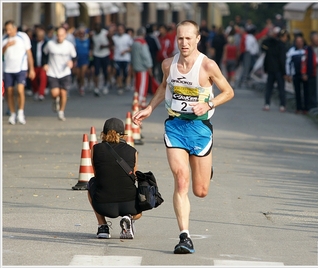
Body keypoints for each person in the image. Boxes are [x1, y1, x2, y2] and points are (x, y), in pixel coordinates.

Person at [132, 20, 234, 254]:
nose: (184, 43)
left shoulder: (208, 65)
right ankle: (184, 237)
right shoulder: (169, 64)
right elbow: (163, 87)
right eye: (180, 38)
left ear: (197, 39)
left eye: (189, 38)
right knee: (181, 179)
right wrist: (150, 108)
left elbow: (228, 92)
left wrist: (208, 103)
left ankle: (206, 170)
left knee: (200, 191)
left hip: (199, 129)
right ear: (176, 39)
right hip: (175, 126)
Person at [88, 117, 142, 239]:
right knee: (137, 212)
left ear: (103, 133)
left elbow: (97, 175)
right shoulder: (132, 151)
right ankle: (128, 217)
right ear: (123, 134)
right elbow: (134, 175)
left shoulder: (95, 149)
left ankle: (103, 226)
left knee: (91, 183)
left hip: (104, 205)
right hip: (130, 205)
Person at [3, 20, 36, 125]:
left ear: (15, 28)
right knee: (9, 92)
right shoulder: (3, 39)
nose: (8, 32)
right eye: (6, 30)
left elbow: (29, 53)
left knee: (20, 90)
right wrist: (6, 46)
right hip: (8, 69)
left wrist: (31, 69)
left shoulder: (23, 37)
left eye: (10, 29)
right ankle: (12, 113)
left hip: (21, 68)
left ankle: (20, 113)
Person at [43, 27, 77, 121]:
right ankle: (55, 100)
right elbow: (44, 54)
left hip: (65, 72)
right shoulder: (50, 44)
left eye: (62, 35)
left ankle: (61, 111)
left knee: (63, 93)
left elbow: (74, 57)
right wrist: (45, 64)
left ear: (65, 35)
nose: (59, 37)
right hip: (53, 71)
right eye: (58, 35)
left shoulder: (69, 45)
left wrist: (71, 63)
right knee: (55, 93)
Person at [262, 27, 287, 112]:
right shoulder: (281, 46)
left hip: (271, 69)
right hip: (278, 70)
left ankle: (267, 104)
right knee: (281, 88)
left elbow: (266, 56)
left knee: (269, 88)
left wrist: (265, 68)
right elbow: (282, 59)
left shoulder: (271, 44)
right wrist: (284, 72)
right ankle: (282, 105)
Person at [131, 27, 153, 108]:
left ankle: (136, 98)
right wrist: (149, 65)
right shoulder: (142, 42)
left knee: (137, 83)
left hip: (136, 65)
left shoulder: (134, 42)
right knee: (143, 84)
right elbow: (145, 55)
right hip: (142, 67)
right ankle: (140, 100)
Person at [90, 22, 113, 96]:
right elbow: (91, 43)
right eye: (95, 28)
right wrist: (91, 50)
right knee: (96, 71)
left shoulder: (105, 33)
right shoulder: (92, 34)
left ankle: (105, 84)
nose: (97, 30)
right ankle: (96, 87)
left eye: (98, 28)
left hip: (105, 54)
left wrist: (105, 46)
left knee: (105, 71)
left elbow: (112, 43)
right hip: (96, 54)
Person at [286, 35, 307, 114]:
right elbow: (288, 63)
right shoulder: (292, 51)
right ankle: (298, 107)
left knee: (305, 92)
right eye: (297, 42)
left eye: (300, 41)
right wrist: (288, 74)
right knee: (297, 92)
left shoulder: (306, 50)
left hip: (305, 74)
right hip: (296, 73)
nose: (299, 43)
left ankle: (305, 108)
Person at [113, 23, 133, 95]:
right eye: (118, 30)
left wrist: (126, 51)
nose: (120, 31)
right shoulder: (115, 37)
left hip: (126, 58)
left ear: (124, 30)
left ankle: (127, 84)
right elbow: (112, 45)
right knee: (118, 73)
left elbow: (131, 47)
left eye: (121, 29)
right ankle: (120, 87)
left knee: (126, 73)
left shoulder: (127, 37)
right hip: (117, 58)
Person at [30, 25, 48, 101]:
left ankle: (41, 93)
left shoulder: (47, 43)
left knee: (43, 78)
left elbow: (48, 54)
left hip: (43, 65)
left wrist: (47, 63)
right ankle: (36, 91)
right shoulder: (32, 43)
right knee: (33, 79)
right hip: (34, 64)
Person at [75, 26, 91, 96]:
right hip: (78, 59)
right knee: (78, 75)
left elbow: (90, 49)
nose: (81, 34)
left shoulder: (87, 40)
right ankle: (79, 84)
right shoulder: (75, 40)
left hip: (85, 59)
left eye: (83, 33)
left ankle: (82, 87)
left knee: (82, 74)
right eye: (80, 33)